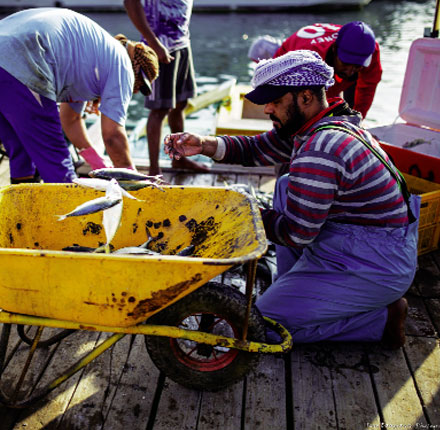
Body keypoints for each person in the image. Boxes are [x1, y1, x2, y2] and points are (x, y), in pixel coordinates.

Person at [164, 50, 419, 349]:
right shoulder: (324, 122)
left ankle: (380, 321)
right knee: (287, 184)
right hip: (359, 241)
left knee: (254, 328)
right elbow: (258, 149)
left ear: (306, 97)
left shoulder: (322, 147)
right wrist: (204, 144)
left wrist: (238, 211)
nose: (267, 109)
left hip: (375, 264)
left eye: (274, 101)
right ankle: (295, 287)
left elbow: (296, 233)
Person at [0, 8, 159, 183]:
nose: (135, 90)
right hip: (18, 56)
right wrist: (132, 180)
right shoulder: (123, 66)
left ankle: (22, 203)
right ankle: (66, 205)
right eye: (139, 86)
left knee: (20, 151)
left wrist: (98, 164)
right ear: (138, 70)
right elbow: (112, 136)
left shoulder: (97, 55)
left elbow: (71, 119)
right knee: (56, 158)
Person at [124, 0, 209, 176]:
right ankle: (154, 170)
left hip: (182, 43)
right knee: (159, 109)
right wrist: (154, 43)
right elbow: (130, 2)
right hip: (160, 46)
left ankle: (179, 158)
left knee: (181, 104)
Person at [273, 21, 382, 119]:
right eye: (346, 63)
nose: (349, 71)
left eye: (358, 66)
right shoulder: (310, 59)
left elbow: (367, 89)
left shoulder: (370, 50)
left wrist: (357, 120)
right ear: (334, 49)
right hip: (289, 65)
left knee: (351, 114)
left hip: (329, 64)